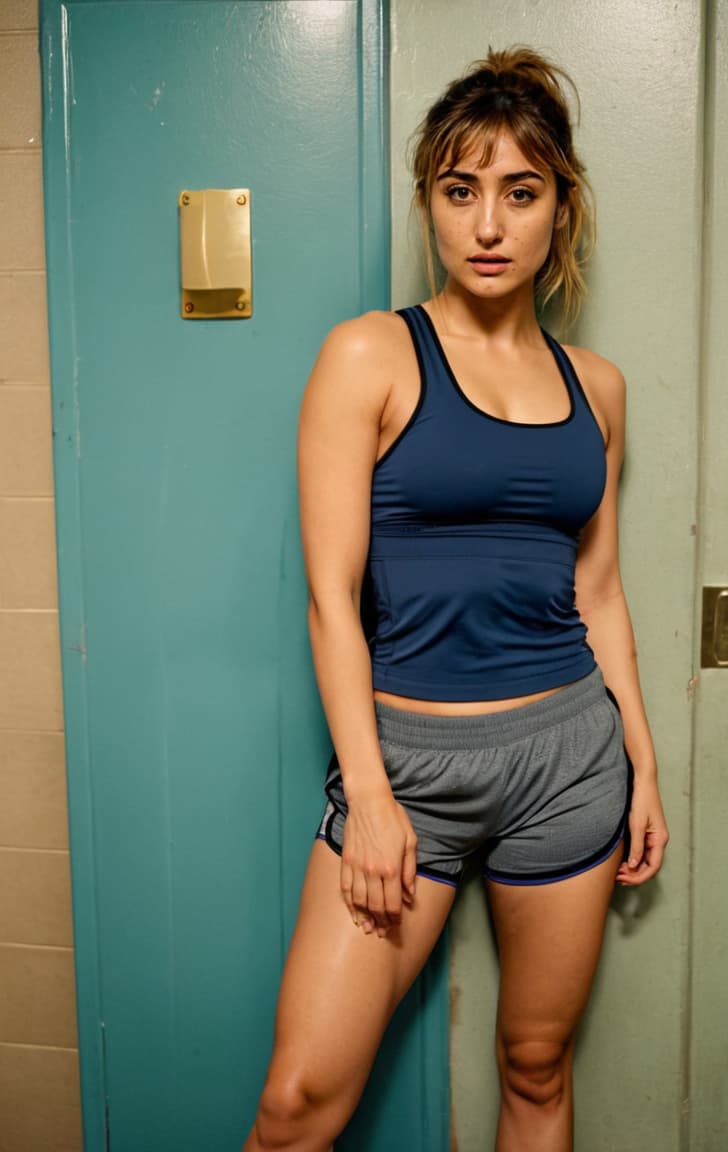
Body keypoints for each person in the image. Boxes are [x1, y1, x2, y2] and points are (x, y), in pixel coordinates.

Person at [244, 46, 668, 1152]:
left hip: (570, 760)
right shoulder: (369, 356)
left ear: (557, 209)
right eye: (458, 190)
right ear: (430, 201)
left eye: (518, 193)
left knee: (534, 1066)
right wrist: (373, 798)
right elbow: (330, 603)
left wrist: (642, 762)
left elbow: (598, 590)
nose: (487, 225)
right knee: (296, 1107)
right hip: (410, 773)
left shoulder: (598, 389)